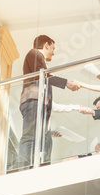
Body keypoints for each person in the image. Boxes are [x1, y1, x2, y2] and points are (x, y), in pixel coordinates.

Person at [18, 35, 81, 168]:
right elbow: (43, 74)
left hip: (38, 104)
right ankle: (24, 168)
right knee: (30, 137)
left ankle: (40, 167)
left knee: (44, 139)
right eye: (53, 48)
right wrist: (66, 83)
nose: (54, 52)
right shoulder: (34, 53)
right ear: (46, 45)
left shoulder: (39, 59)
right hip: (33, 101)